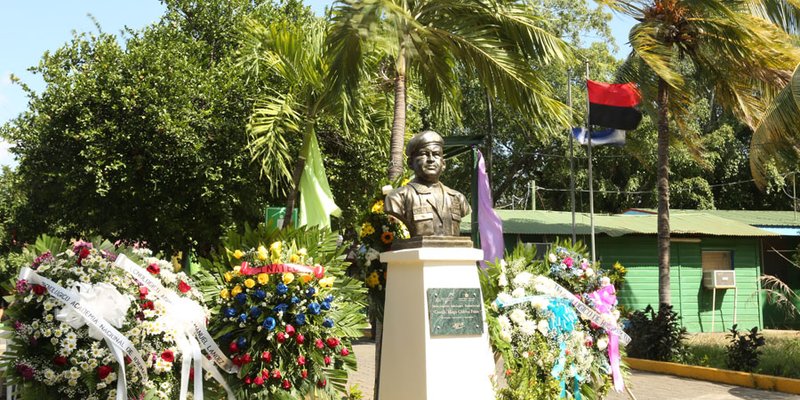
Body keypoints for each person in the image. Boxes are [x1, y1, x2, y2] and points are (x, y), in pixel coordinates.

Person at [385, 130, 470, 237]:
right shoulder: (397, 198)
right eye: (424, 154)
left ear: (443, 163)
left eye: (436, 154)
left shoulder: (458, 198)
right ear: (410, 163)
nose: (431, 159)